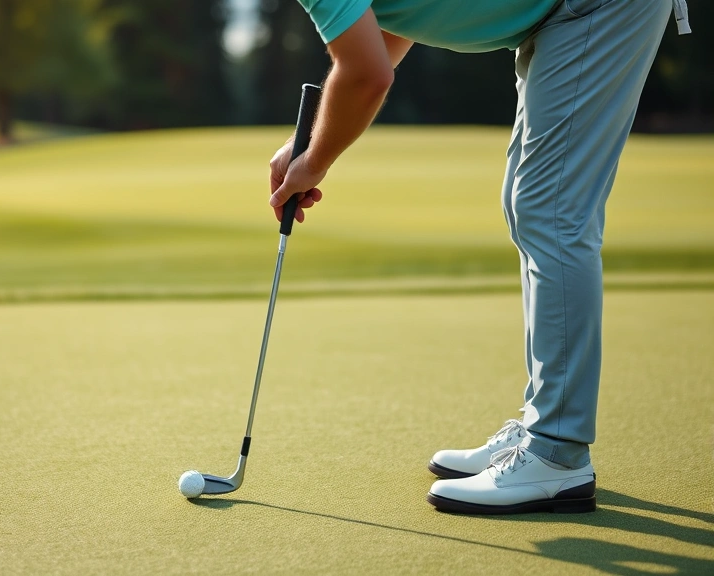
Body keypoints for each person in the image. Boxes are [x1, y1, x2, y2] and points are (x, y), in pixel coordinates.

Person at [269, 0, 691, 514]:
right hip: (558, 12)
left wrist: (315, 160)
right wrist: (312, 138)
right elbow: (398, 22)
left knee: (550, 210)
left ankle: (557, 453)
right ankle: (545, 430)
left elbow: (367, 75)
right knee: (530, 205)